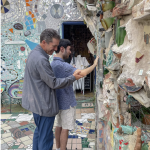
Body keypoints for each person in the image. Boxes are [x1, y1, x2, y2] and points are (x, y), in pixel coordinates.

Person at [22, 29, 83, 150]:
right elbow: (53, 83)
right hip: (43, 106)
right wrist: (72, 78)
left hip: (36, 104)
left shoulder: (34, 53)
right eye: (54, 46)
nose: (55, 49)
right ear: (44, 42)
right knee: (45, 139)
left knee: (39, 134)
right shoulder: (41, 59)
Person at [51, 39, 99, 150]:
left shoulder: (52, 63)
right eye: (69, 49)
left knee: (59, 125)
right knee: (65, 128)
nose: (70, 52)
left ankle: (58, 147)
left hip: (57, 101)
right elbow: (82, 73)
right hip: (66, 101)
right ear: (62, 49)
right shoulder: (63, 65)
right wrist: (94, 64)